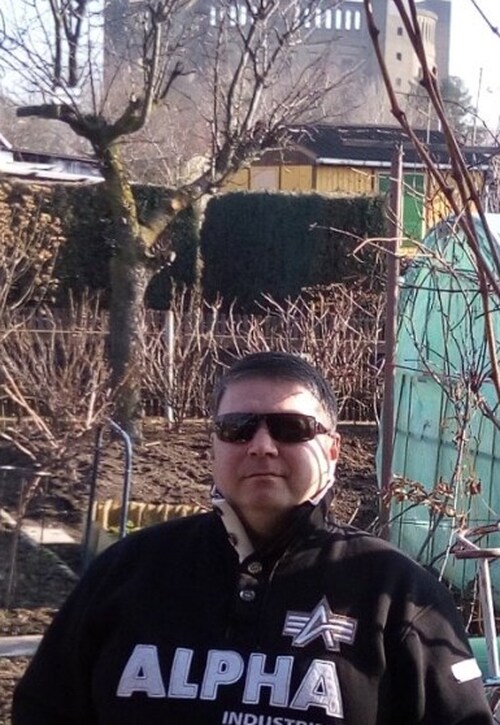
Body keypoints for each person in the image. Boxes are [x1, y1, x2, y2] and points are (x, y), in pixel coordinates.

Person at [12, 351, 492, 724]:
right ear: (215, 445)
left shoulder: (397, 595)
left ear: (332, 449)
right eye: (238, 428)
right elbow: (44, 710)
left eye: (291, 428)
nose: (262, 445)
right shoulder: (126, 573)